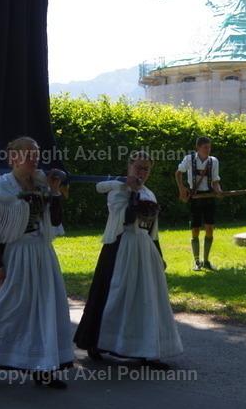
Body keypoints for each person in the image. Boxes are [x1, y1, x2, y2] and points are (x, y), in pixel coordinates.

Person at [0, 137, 73, 388]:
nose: (33, 159)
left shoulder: (41, 183)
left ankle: (43, 367)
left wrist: (54, 190)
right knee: (8, 307)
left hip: (42, 252)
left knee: (43, 309)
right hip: (15, 254)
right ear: (13, 157)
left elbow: (56, 220)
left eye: (36, 154)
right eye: (28, 154)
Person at [74, 151, 181, 370]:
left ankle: (148, 351)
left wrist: (159, 255)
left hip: (144, 249)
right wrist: (133, 192)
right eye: (138, 167)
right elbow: (126, 219)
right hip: (121, 247)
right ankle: (98, 342)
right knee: (115, 295)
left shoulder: (149, 193)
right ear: (129, 167)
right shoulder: (117, 191)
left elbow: (153, 229)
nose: (142, 172)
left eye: (146, 168)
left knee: (147, 299)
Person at [175, 136, 223, 271]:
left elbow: (215, 181)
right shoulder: (189, 159)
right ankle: (197, 262)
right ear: (198, 148)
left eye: (209, 147)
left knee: (209, 228)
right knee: (195, 229)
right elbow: (178, 173)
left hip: (209, 197)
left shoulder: (214, 161)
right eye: (205, 147)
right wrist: (182, 188)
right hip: (194, 197)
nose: (208, 150)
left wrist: (218, 191)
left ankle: (206, 260)